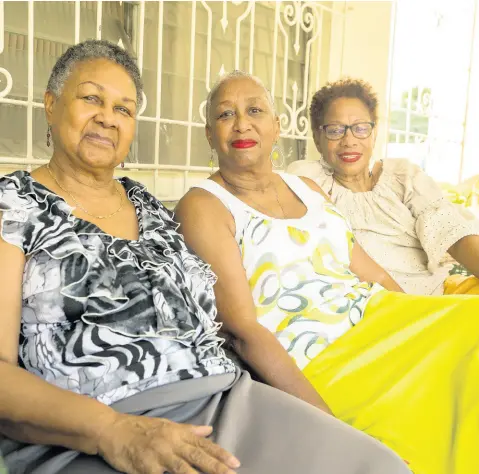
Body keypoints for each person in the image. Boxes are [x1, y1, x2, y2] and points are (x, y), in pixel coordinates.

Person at [0, 41, 411, 474]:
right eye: (90, 99)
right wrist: (112, 430)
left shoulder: (149, 207)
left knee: (380, 467)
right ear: (50, 104)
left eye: (124, 109)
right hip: (99, 428)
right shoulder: (13, 207)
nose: (107, 116)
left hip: (226, 398)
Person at [175, 69, 479, 474]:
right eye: (225, 115)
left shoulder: (308, 190)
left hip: (382, 318)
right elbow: (244, 332)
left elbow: (376, 276)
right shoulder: (204, 206)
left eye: (254, 110)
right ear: (210, 135)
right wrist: (331, 429)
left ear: (276, 127)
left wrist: (422, 327)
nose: (242, 123)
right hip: (322, 355)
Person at [287, 78, 479, 295]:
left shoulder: (403, 176)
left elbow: (452, 233)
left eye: (360, 128)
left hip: (438, 294)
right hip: (375, 305)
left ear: (374, 133)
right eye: (335, 130)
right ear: (317, 138)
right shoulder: (309, 180)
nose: (349, 140)